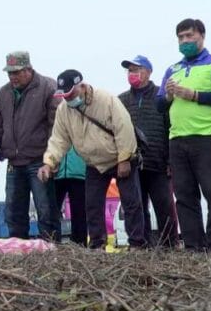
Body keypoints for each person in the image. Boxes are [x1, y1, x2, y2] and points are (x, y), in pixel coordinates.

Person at [38, 70, 147, 250]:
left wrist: (125, 159)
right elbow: (59, 140)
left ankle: (137, 244)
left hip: (119, 157)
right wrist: (49, 163)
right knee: (93, 205)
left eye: (70, 93)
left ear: (81, 86)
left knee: (131, 202)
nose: (67, 98)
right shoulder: (64, 110)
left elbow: (124, 127)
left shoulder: (105, 100)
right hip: (94, 163)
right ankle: (97, 244)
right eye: (64, 95)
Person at [156, 19, 211, 252]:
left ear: (202, 36)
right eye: (180, 37)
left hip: (208, 136)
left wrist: (194, 95)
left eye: (189, 36)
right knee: (184, 197)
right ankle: (193, 247)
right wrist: (169, 96)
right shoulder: (172, 70)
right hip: (177, 139)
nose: (185, 41)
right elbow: (159, 105)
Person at [0, 51, 61, 242]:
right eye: (9, 73)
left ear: (28, 69)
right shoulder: (4, 92)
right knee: (13, 213)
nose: (12, 77)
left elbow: (55, 127)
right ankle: (19, 250)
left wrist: (50, 160)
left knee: (46, 210)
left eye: (16, 72)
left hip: (39, 161)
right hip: (14, 163)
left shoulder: (48, 87)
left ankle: (51, 249)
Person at [119, 55, 178, 248]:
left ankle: (170, 246)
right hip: (133, 163)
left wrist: (170, 160)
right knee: (136, 207)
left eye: (137, 70)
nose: (132, 74)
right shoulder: (121, 100)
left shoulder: (161, 97)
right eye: (130, 70)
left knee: (164, 206)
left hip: (158, 162)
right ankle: (142, 247)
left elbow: (171, 127)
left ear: (148, 72)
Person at [54, 147, 87, 246]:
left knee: (79, 215)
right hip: (55, 172)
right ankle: (52, 245)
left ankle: (80, 247)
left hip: (79, 171)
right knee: (51, 213)